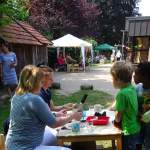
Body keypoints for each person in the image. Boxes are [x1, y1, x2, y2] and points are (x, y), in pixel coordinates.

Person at [5, 65, 82, 150]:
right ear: (34, 82)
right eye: (41, 82)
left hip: (11, 144)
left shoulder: (17, 96)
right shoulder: (34, 99)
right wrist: (72, 116)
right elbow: (54, 123)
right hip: (26, 147)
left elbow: (34, 116)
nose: (41, 85)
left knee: (54, 136)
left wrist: (55, 114)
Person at [110, 61, 141, 150]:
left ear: (118, 79)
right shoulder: (131, 88)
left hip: (128, 130)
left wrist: (114, 120)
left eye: (113, 78)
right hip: (135, 127)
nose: (112, 81)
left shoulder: (122, 94)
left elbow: (118, 117)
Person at [133, 62, 150, 150]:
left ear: (145, 76)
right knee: (137, 141)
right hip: (139, 123)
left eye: (136, 74)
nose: (133, 76)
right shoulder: (137, 88)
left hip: (148, 125)